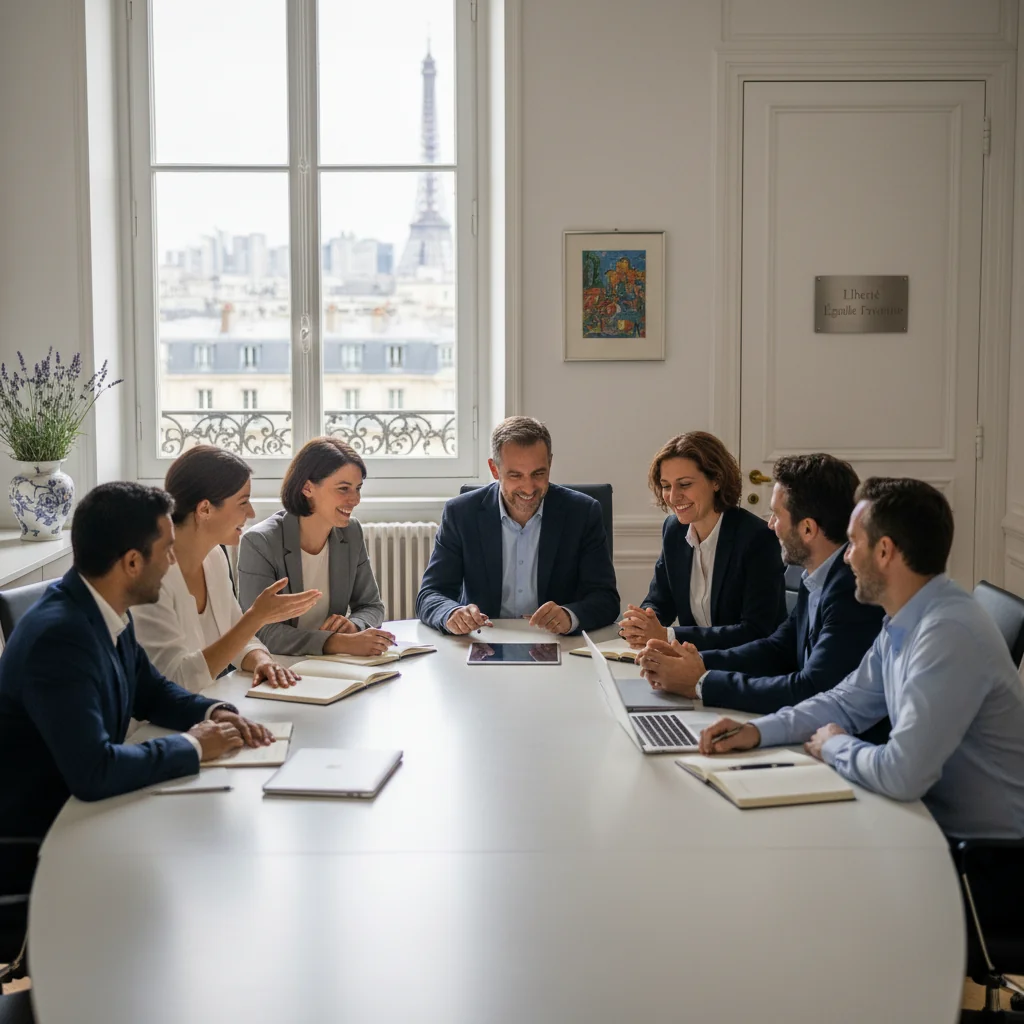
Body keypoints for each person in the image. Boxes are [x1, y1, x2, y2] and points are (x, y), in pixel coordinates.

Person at [699, 478, 1024, 840]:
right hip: (926, 824)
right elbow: (845, 702)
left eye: (854, 543)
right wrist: (759, 731)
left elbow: (901, 775)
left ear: (884, 551)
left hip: (986, 856)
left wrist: (834, 744)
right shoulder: (907, 617)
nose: (847, 556)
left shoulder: (946, 634)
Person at [0, 482, 272, 844]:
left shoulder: (106, 606)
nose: (172, 561)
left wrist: (215, 712)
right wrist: (193, 745)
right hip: (45, 840)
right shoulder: (60, 639)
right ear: (132, 563)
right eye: (167, 550)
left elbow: (152, 692)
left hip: (94, 813)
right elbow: (94, 770)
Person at [637, 454, 884, 717]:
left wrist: (701, 683)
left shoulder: (853, 592)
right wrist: (690, 662)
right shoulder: (818, 576)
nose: (771, 525)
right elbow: (778, 648)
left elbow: (811, 689)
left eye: (776, 515)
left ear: (808, 529)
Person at [133, 446, 322, 692]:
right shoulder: (152, 578)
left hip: (204, 704)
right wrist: (256, 618)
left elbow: (236, 636)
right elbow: (174, 682)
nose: (251, 512)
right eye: (243, 502)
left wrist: (262, 660)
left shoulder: (213, 556)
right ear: (205, 509)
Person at [416, 416, 619, 635]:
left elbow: (605, 598)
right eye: (515, 475)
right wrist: (452, 614)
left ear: (550, 463)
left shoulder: (583, 513)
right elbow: (430, 594)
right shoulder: (460, 513)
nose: (529, 488)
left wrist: (570, 616)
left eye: (538, 473)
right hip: (483, 640)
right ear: (494, 469)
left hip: (558, 641)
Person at [618, 432, 786, 652]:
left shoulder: (757, 538)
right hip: (693, 660)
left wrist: (668, 635)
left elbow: (755, 631)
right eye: (666, 486)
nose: (673, 497)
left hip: (745, 665)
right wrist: (642, 623)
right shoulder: (674, 530)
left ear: (716, 480)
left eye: (684, 484)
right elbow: (660, 600)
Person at [237, 437, 393, 657]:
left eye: (357, 488)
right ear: (307, 488)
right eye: (343, 489)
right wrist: (338, 643)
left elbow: (372, 606)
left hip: (331, 664)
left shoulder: (351, 532)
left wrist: (354, 626)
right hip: (278, 664)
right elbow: (260, 631)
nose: (355, 499)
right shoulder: (259, 542)